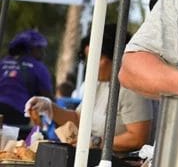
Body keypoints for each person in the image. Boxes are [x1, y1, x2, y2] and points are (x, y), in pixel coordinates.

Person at [25, 23, 151, 153]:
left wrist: (96, 142)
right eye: (87, 59)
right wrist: (49, 107)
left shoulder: (131, 88)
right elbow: (79, 119)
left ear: (114, 56)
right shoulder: (97, 84)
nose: (90, 65)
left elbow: (138, 138)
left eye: (97, 58)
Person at [0, 29, 53, 131]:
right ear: (32, 49)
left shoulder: (3, 62)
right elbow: (48, 98)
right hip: (16, 113)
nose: (43, 53)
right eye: (40, 48)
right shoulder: (38, 67)